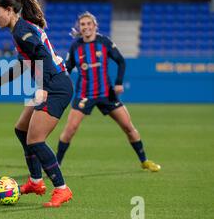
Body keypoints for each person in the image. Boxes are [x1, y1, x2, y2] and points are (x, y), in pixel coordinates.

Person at [0, 0, 74, 208]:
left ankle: (62, 189)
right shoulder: (19, 30)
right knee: (21, 129)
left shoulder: (22, 32)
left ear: (10, 10)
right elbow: (24, 64)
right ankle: (35, 181)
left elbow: (42, 56)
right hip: (51, 83)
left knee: (35, 139)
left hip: (56, 87)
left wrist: (43, 88)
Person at [56, 12, 161, 172]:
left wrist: (119, 83)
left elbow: (121, 61)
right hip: (84, 94)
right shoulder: (75, 46)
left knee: (128, 126)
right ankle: (56, 165)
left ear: (94, 26)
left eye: (88, 24)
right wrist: (58, 80)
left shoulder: (104, 42)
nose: (86, 27)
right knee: (70, 129)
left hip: (107, 93)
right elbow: (68, 69)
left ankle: (144, 161)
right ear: (79, 28)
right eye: (83, 24)